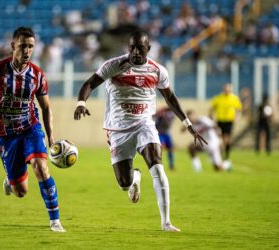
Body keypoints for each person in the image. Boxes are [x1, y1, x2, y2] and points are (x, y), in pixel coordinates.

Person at [74, 30, 207, 232]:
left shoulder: (157, 70)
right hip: (118, 129)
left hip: (145, 125)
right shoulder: (114, 65)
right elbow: (90, 83)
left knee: (158, 169)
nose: (135, 52)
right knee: (124, 184)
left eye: (140, 48)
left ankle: (166, 223)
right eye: (132, 47)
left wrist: (188, 124)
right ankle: (135, 177)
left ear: (148, 48)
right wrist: (81, 102)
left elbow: (170, 98)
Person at [0, 27, 65, 232]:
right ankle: (11, 179)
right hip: (6, 134)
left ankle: (55, 221)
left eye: (31, 47)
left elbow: (46, 107)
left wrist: (51, 137)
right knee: (21, 191)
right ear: (13, 46)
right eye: (23, 46)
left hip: (30, 128)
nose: (27, 51)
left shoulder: (37, 75)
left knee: (41, 167)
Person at [209, 83, 242, 162]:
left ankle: (226, 155)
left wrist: (237, 117)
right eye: (226, 89)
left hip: (229, 121)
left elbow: (238, 109)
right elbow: (212, 108)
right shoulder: (218, 98)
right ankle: (220, 154)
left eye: (229, 89)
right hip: (220, 121)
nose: (227, 90)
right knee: (220, 139)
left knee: (227, 139)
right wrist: (211, 117)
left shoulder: (234, 98)